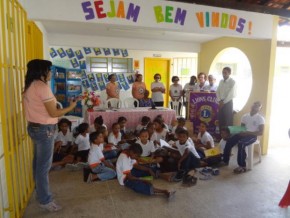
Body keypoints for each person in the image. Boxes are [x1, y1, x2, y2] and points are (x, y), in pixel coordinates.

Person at [23, 59, 79, 212]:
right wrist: (72, 106)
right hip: (44, 130)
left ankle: (40, 193)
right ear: (42, 71)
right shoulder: (42, 87)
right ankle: (45, 200)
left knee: (37, 163)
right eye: (49, 69)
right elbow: (54, 113)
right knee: (43, 166)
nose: (51, 72)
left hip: (34, 128)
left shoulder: (31, 85)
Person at [222, 101, 265, 173]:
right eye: (254, 104)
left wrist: (247, 132)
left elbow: (261, 132)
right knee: (229, 140)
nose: (255, 106)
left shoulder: (260, 118)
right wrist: (237, 131)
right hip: (244, 134)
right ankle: (225, 160)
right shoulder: (245, 116)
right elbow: (242, 128)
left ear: (259, 109)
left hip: (252, 136)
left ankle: (242, 166)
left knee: (241, 143)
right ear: (251, 106)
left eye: (258, 106)